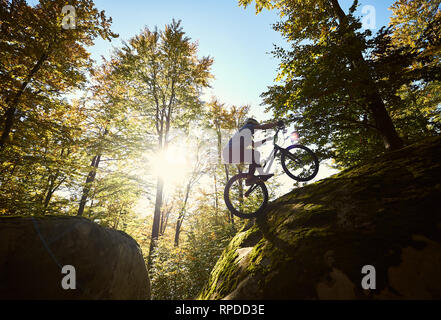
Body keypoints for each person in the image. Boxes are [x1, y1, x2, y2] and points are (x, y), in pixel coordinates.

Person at [222, 118, 283, 185]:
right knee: (255, 154)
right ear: (253, 124)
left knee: (254, 155)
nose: (256, 131)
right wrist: (276, 123)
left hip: (228, 155)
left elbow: (254, 145)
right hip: (230, 151)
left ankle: (259, 175)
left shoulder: (246, 134)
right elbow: (263, 127)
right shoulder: (248, 126)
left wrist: (266, 140)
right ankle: (251, 178)